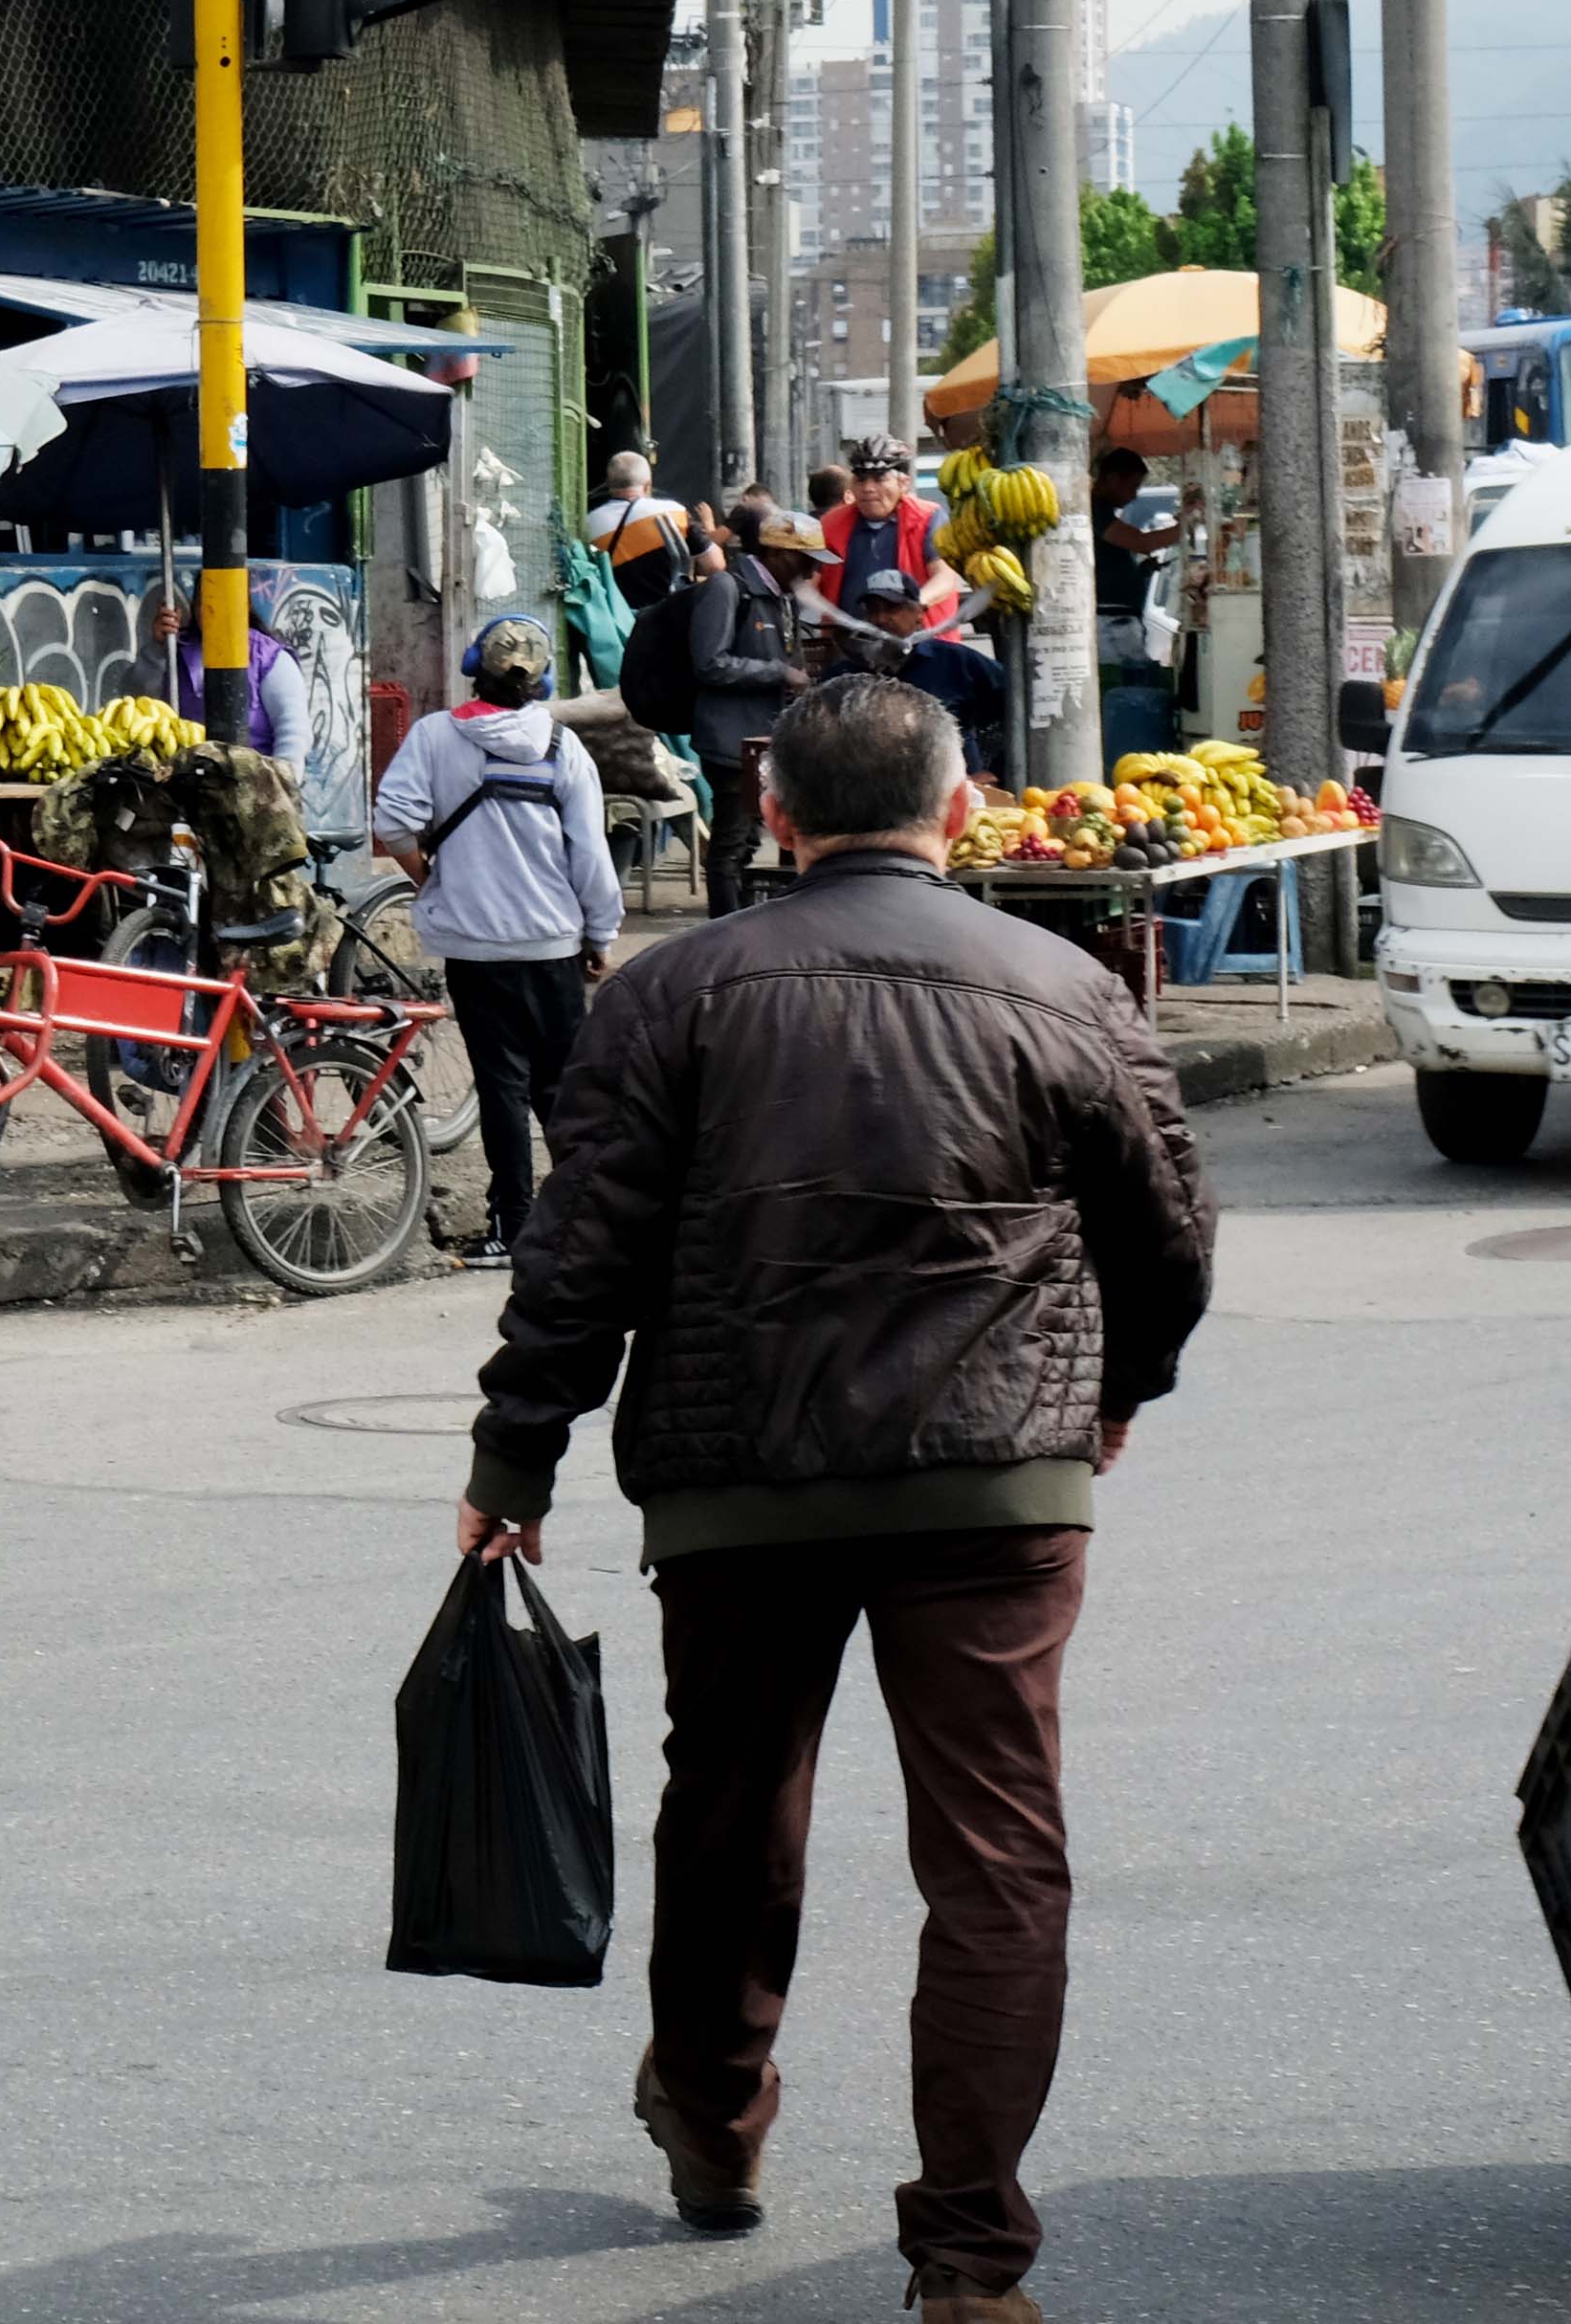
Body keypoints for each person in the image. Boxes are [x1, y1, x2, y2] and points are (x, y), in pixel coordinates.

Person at [456, 671, 1214, 2322]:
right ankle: (971, 2264)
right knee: (999, 1860)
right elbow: (1167, 1235)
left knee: (732, 1812)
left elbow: (580, 1251)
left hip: (741, 1487)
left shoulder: (674, 995)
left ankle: (712, 2117)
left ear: (774, 813)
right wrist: (1115, 1391)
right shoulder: (1064, 988)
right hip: (997, 1487)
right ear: (963, 808)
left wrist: (516, 1455)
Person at [369, 614, 619, 1255]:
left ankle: (511, 1225)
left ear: (473, 667)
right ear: (543, 682)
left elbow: (393, 823)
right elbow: (590, 856)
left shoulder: (434, 736)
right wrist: (601, 933)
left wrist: (430, 879)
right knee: (562, 1092)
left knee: (501, 1088)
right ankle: (582, 1227)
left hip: (475, 949)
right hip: (553, 945)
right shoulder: (564, 747)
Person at [671, 498, 805, 918]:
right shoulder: (727, 589)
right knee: (731, 845)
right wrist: (777, 672)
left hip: (759, 740)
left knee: (748, 841)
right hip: (729, 741)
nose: (811, 572)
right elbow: (710, 663)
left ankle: (740, 924)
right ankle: (725, 930)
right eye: (804, 561)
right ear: (777, 554)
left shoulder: (782, 598)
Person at [849, 564, 1011, 757]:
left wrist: (996, 765)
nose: (881, 619)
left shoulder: (956, 661)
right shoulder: (853, 671)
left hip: (955, 773)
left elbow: (1016, 699)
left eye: (892, 608)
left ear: (919, 613)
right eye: (873, 610)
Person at [145, 580, 310, 766]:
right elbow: (140, 698)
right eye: (205, 601)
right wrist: (156, 649)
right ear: (194, 606)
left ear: (244, 606)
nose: (213, 609)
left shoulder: (269, 659)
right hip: (183, 777)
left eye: (223, 600)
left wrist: (282, 780)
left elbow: (294, 733)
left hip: (253, 779)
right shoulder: (176, 651)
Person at [1089, 448, 1181, 770]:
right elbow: (1142, 542)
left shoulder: (1105, 513)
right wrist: (1187, 524)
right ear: (1112, 478)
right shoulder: (1096, 511)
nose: (1133, 496)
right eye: (1132, 486)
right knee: (1129, 688)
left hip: (1120, 619)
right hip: (1111, 624)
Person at [830, 441, 940, 610]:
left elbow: (944, 577)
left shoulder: (928, 518)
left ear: (903, 483)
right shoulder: (831, 524)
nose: (868, 488)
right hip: (847, 626)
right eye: (860, 480)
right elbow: (809, 581)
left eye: (879, 479)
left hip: (919, 625)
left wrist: (912, 606)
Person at [589, 450, 696, 622]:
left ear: (609, 484)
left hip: (617, 622)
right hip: (666, 618)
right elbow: (715, 564)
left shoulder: (589, 523)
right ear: (648, 485)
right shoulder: (675, 512)